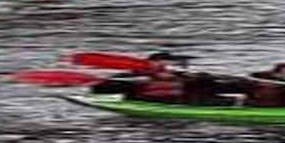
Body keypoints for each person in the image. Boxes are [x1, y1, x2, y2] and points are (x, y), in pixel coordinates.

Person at [89, 52, 230, 106]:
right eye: (163, 61)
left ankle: (234, 100)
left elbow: (181, 77)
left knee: (205, 81)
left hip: (176, 98)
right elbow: (126, 82)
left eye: (168, 62)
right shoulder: (138, 73)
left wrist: (196, 76)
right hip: (150, 100)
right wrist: (152, 77)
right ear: (153, 62)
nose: (167, 64)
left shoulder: (171, 72)